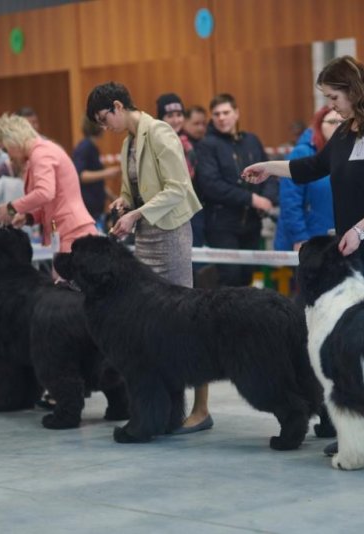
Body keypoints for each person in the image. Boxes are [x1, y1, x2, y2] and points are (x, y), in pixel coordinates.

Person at [242, 56, 364, 460]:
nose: (331, 105)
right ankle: (361, 431)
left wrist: (361, 228)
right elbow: (312, 166)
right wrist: (269, 168)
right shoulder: (348, 131)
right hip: (361, 253)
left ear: (354, 89)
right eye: (327, 98)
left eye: (334, 96)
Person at [86, 82, 207, 433]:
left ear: (118, 106)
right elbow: (132, 190)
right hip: (146, 238)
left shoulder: (160, 132)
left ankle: (199, 409)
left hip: (170, 233)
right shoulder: (128, 143)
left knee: (184, 322)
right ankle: (164, 410)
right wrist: (124, 203)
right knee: (150, 327)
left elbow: (178, 188)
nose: (104, 126)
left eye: (104, 117)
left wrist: (136, 214)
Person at [154, 91, 212, 433]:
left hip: (195, 238)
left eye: (180, 113)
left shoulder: (187, 147)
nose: (176, 119)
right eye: (169, 113)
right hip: (173, 240)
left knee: (198, 327)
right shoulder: (160, 145)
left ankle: (202, 408)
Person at [196, 93, 279, 287]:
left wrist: (267, 199)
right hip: (221, 224)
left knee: (247, 278)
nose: (221, 118)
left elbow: (270, 174)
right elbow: (211, 185)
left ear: (236, 113)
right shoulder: (207, 145)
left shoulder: (252, 140)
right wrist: (251, 199)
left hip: (252, 222)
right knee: (230, 278)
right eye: (216, 114)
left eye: (226, 112)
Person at [0, 114, 97, 252]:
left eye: (5, 150)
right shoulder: (41, 152)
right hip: (69, 233)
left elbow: (45, 193)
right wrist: (29, 217)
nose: (8, 157)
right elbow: (52, 202)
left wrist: (11, 207)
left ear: (13, 139)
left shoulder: (41, 154)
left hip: (72, 235)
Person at [274, 105, 339, 252]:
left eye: (342, 122)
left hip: (335, 237)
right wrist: (300, 237)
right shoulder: (301, 153)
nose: (337, 126)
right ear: (318, 124)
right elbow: (290, 201)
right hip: (308, 238)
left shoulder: (344, 153)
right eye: (332, 122)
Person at [73, 116, 122, 230]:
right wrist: (107, 172)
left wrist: (112, 197)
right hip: (88, 208)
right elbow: (80, 175)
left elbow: (96, 181)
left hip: (96, 208)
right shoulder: (85, 147)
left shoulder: (92, 147)